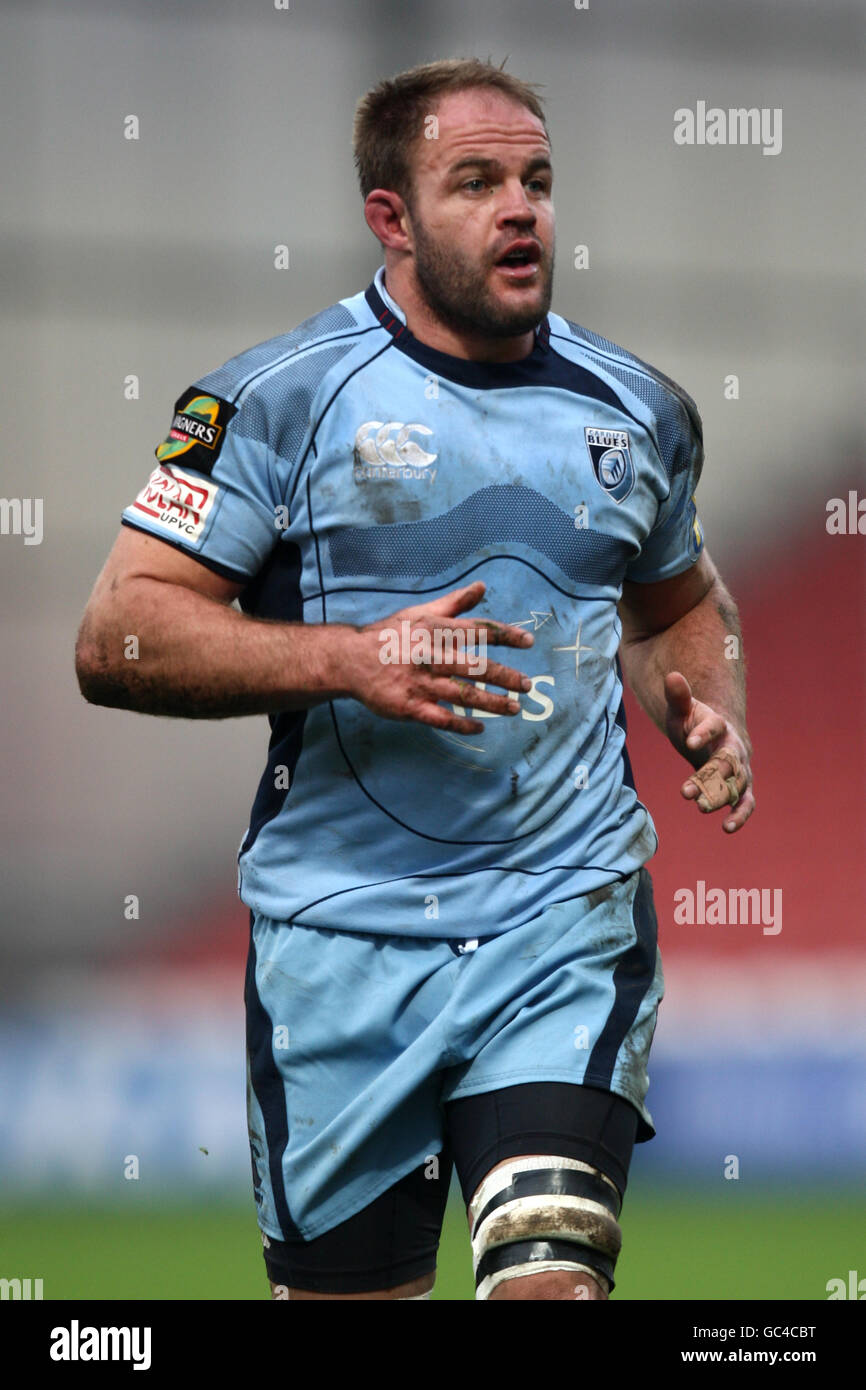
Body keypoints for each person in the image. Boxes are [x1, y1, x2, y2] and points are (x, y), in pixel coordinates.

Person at [75, 58, 754, 1301]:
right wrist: (348, 659)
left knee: (549, 1278)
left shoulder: (640, 410)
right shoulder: (264, 404)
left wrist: (700, 706)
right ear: (389, 217)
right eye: (477, 181)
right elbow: (116, 636)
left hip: (561, 916)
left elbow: (672, 607)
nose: (521, 210)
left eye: (538, 181)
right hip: (337, 944)